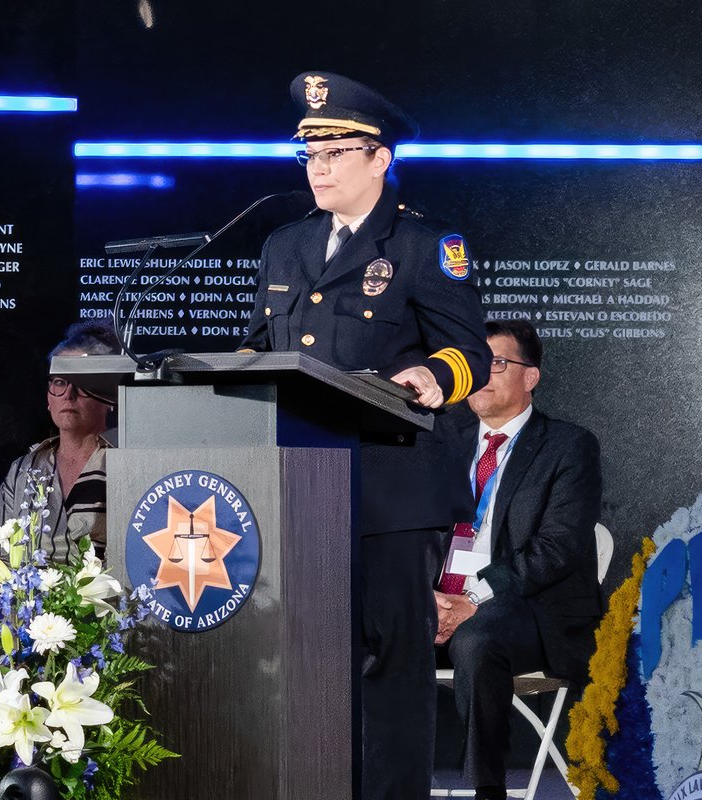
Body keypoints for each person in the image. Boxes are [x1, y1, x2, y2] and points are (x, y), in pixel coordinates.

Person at [240, 71, 491, 800]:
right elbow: (263, 345)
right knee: (309, 662)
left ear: (381, 158)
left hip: (393, 489)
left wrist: (431, 380)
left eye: (335, 153)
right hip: (300, 488)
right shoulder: (284, 246)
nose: (317, 168)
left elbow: (468, 351)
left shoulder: (423, 245)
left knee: (391, 665)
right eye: (309, 156)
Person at [433, 319, 602, 800]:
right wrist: (426, 598)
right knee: (361, 628)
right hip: (441, 599)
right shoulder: (442, 441)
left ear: (531, 377)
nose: (482, 374)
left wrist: (471, 598)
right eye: (474, 364)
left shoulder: (568, 446)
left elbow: (558, 548)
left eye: (498, 363)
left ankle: (488, 790)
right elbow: (417, 535)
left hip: (528, 608)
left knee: (478, 639)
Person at [0, 322, 117, 561]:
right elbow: (0, 556)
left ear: (109, 396)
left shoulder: (126, 462)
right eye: (60, 381)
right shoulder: (23, 469)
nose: (69, 395)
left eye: (82, 383)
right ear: (49, 398)